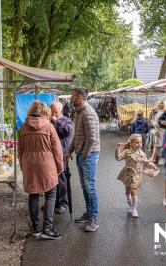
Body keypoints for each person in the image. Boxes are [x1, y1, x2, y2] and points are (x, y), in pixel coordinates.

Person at [18, 100, 64, 240]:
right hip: (47, 166)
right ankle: (47, 229)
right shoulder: (49, 127)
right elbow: (57, 150)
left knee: (33, 195)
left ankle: (36, 229)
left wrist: (22, 166)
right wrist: (60, 166)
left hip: (29, 166)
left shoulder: (23, 128)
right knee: (50, 195)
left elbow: (20, 151)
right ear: (45, 112)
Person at [66, 87, 100, 232]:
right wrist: (70, 151)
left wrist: (84, 154)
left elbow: (92, 138)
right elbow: (77, 135)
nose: (71, 98)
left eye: (73, 96)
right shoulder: (79, 112)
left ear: (80, 97)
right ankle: (89, 213)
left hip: (89, 155)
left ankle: (94, 218)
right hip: (83, 154)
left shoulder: (87, 113)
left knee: (89, 186)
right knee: (85, 185)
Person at [115, 134, 159, 218]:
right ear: (131, 143)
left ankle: (134, 209)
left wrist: (154, 166)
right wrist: (117, 150)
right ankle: (130, 205)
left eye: (141, 142)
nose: (139, 144)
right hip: (128, 174)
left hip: (137, 174)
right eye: (137, 142)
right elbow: (118, 158)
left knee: (133, 190)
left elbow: (147, 162)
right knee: (127, 192)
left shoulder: (142, 154)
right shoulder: (127, 151)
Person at [50, 102, 74, 214]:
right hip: (50, 155)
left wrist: (56, 121)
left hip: (62, 154)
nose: (54, 113)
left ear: (61, 110)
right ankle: (52, 203)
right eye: (52, 111)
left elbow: (67, 131)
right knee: (51, 179)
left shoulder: (66, 120)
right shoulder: (49, 120)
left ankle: (63, 203)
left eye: (56, 111)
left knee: (62, 179)